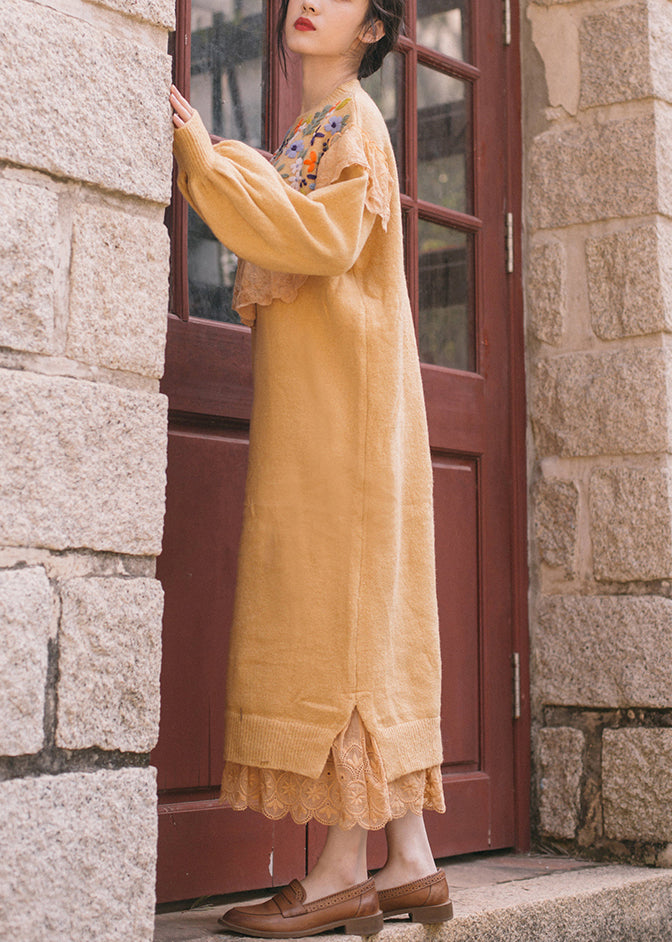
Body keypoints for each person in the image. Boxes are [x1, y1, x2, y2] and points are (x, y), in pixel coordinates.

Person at [170, 0, 452, 935]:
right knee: (362, 617)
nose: (306, 2)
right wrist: (234, 165)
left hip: (347, 417)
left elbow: (319, 238)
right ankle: (410, 859)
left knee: (340, 621)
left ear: (372, 29)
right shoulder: (317, 127)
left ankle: (338, 874)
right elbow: (294, 215)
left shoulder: (353, 124)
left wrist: (208, 162)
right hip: (334, 407)